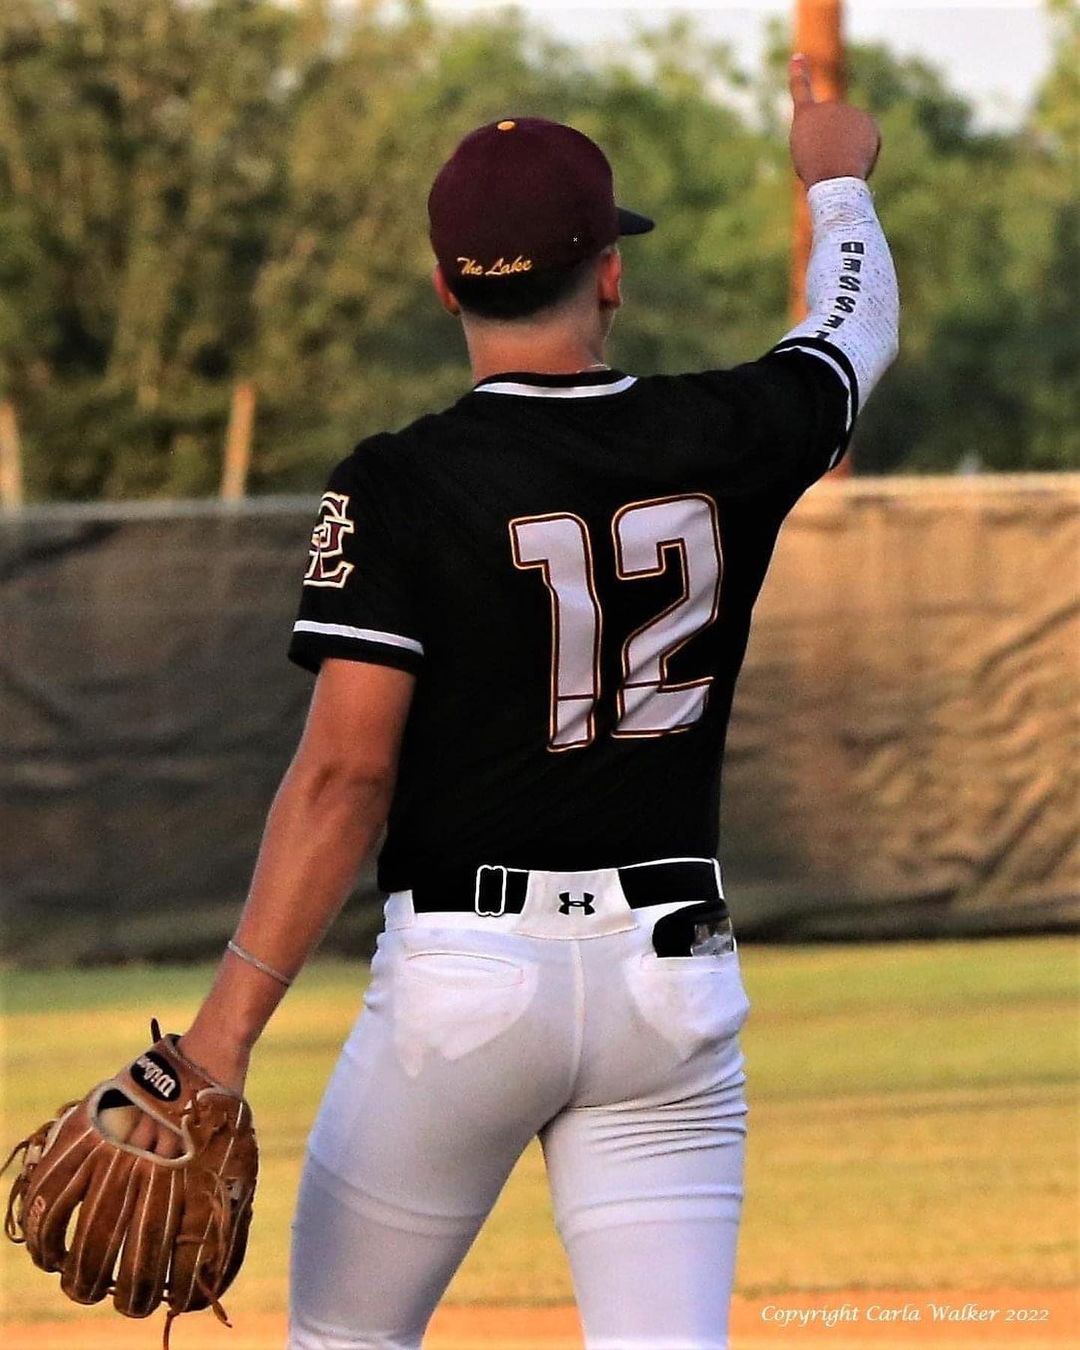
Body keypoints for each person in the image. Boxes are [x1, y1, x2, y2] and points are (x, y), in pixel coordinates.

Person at [132, 56, 898, 1350]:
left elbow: (344, 778)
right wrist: (836, 183)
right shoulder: (726, 432)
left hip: (467, 985)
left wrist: (219, 1036)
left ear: (445, 284)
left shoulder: (402, 481)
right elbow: (853, 331)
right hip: (670, 985)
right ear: (611, 272)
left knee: (346, 1341)